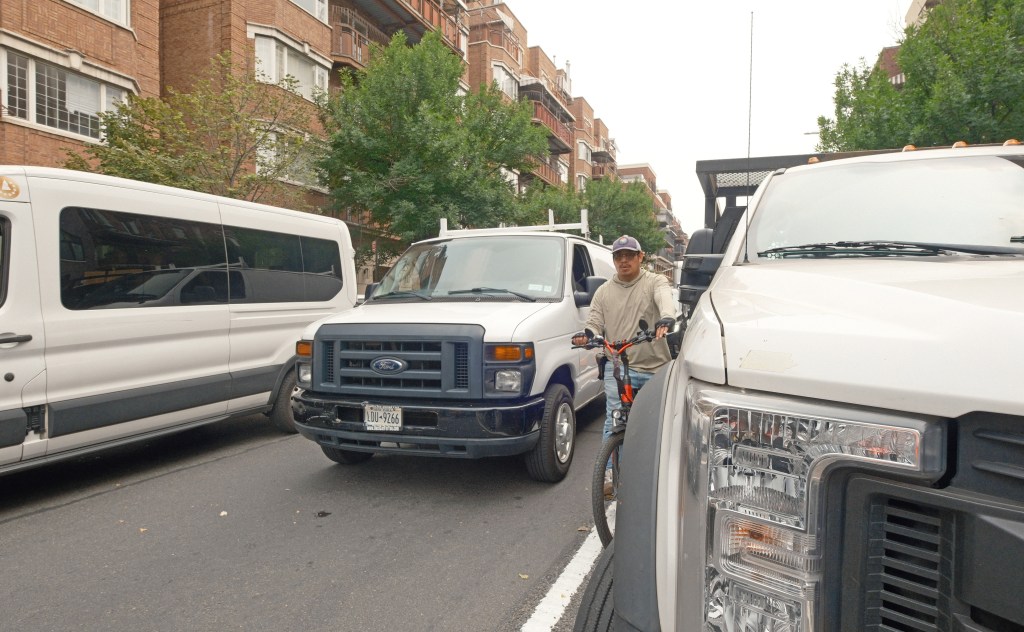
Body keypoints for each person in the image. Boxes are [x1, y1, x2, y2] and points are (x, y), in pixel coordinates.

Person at [572, 235, 676, 493]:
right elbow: (594, 322)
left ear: (641, 257)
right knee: (613, 419)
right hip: (617, 366)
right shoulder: (604, 291)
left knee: (656, 423)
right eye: (619, 256)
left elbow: (664, 298)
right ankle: (610, 474)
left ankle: (658, 474)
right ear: (614, 260)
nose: (624, 260)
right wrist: (588, 334)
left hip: (655, 367)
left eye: (630, 255)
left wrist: (666, 318)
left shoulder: (654, 281)